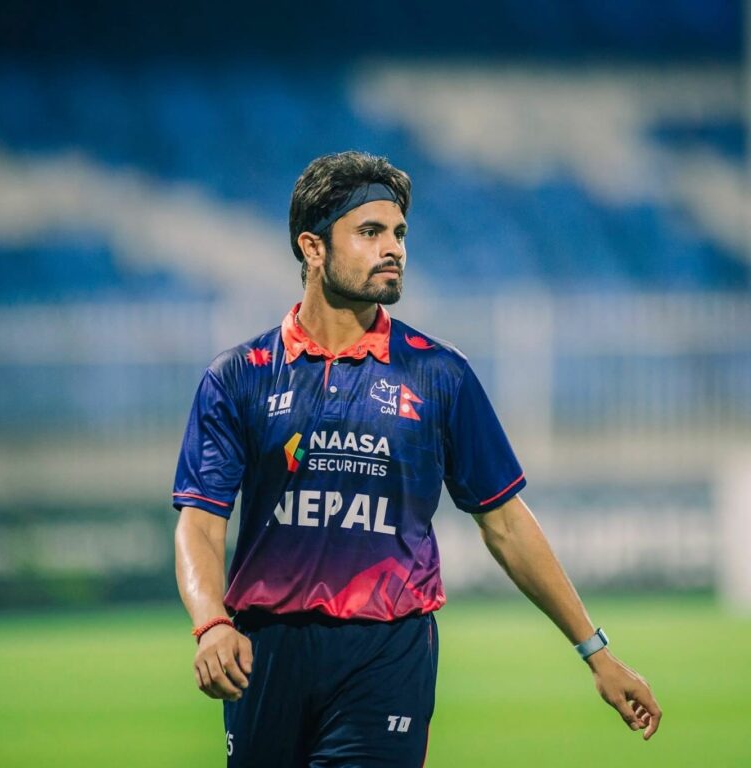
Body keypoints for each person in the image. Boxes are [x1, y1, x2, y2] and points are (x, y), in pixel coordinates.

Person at [173, 150, 662, 767]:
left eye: (399, 233)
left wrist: (596, 652)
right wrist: (212, 622)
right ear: (313, 248)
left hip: (388, 654)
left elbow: (506, 524)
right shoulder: (239, 376)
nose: (394, 249)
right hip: (266, 649)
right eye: (370, 232)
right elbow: (200, 522)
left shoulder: (439, 374)